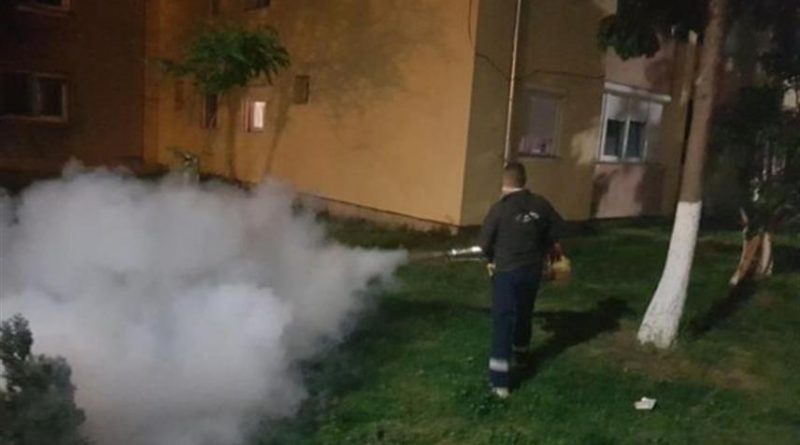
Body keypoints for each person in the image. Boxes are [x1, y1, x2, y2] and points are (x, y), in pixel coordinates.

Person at [478, 161, 564, 398]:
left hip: (507, 272)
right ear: (524, 181)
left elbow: (484, 244)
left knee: (503, 321)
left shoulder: (499, 209)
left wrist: (491, 258)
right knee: (525, 312)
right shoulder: (541, 204)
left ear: (504, 183)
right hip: (532, 271)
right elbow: (557, 230)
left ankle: (500, 382)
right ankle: (522, 355)